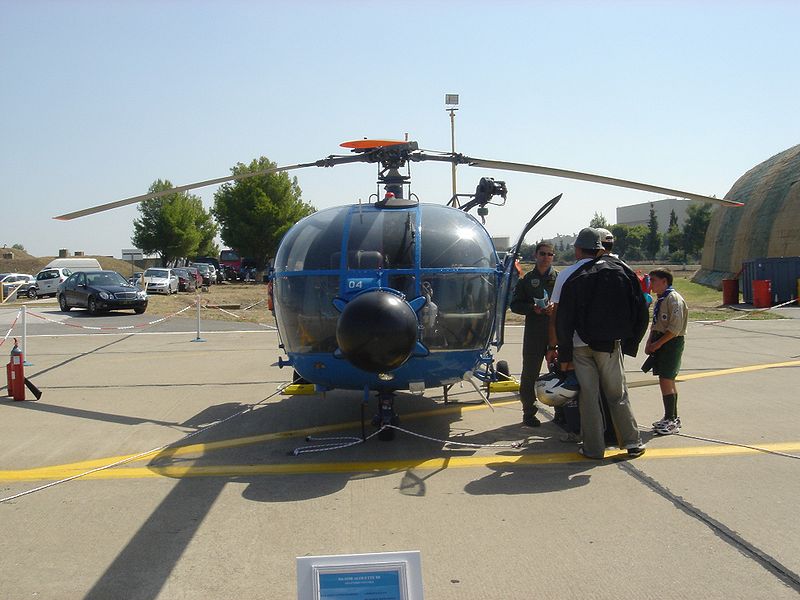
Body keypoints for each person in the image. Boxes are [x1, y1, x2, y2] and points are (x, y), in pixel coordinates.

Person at [553, 227, 649, 459]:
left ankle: (593, 448)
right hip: (609, 345)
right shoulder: (621, 271)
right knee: (617, 394)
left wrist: (563, 354)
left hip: (579, 346)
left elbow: (561, 319)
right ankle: (632, 442)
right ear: (600, 248)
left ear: (577, 249)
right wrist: (630, 343)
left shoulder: (569, 275)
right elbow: (641, 311)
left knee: (589, 396)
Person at [510, 242, 558, 427]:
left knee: (560, 372)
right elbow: (515, 305)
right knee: (530, 374)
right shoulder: (527, 280)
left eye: (550, 254)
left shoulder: (559, 279)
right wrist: (533, 308)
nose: (546, 257)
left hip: (555, 332)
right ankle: (529, 412)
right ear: (536, 255)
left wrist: (555, 308)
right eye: (543, 253)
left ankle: (561, 411)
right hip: (534, 332)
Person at [644, 268, 688, 435]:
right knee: (666, 380)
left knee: (667, 380)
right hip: (661, 341)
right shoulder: (661, 299)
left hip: (671, 343)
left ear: (664, 281)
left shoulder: (673, 299)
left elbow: (674, 329)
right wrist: (650, 341)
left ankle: (671, 419)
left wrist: (658, 344)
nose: (651, 284)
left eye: (653, 280)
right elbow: (656, 324)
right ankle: (671, 416)